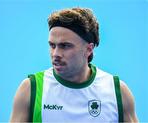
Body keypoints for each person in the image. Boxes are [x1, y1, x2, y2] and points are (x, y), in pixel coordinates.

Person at [10, 7, 138, 122]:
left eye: (65, 46)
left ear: (89, 49)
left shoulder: (118, 92)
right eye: (52, 45)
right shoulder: (30, 88)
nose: (55, 54)